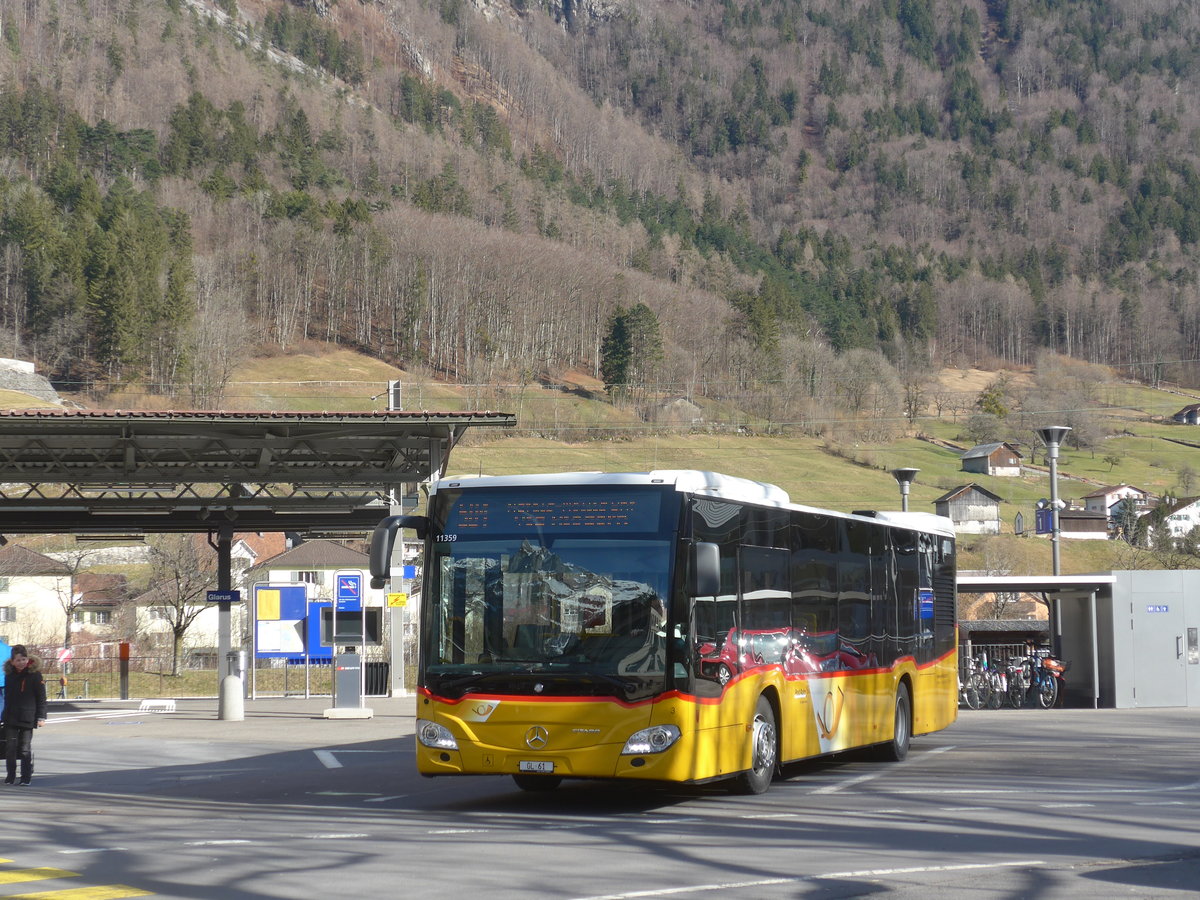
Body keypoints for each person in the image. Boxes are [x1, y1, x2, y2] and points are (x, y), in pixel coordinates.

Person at [1, 645, 47, 785]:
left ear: (27, 659)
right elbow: (7, 697)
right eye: (18, 660)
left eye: (23, 659)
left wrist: (41, 717)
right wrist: (4, 714)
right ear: (12, 661)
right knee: (10, 747)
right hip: (11, 716)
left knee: (25, 748)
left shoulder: (35, 675)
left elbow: (41, 697)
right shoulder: (9, 675)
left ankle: (25, 777)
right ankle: (11, 776)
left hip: (27, 716)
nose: (21, 662)